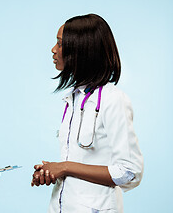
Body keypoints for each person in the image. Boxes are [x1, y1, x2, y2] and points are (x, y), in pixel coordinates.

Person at [31, 14, 143, 213]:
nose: (53, 50)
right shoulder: (74, 99)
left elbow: (129, 172)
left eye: (60, 43)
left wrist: (65, 167)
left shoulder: (113, 100)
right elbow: (83, 159)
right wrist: (53, 170)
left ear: (81, 50)